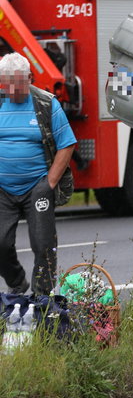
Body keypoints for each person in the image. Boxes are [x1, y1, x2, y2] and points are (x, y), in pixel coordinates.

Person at [0, 52, 77, 295]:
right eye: (7, 84)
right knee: (0, 243)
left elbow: (67, 143)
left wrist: (49, 183)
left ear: (29, 78)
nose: (12, 90)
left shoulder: (45, 103)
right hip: (3, 190)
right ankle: (16, 282)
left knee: (43, 245)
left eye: (18, 83)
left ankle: (42, 298)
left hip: (37, 188)